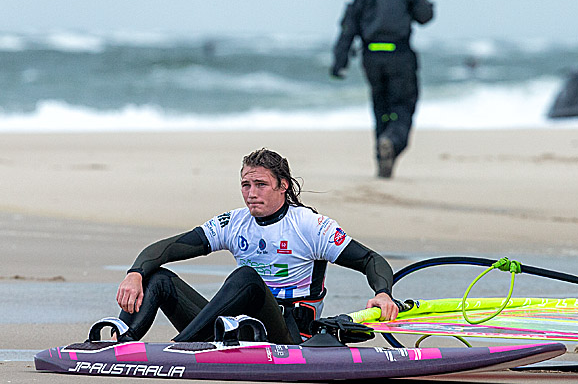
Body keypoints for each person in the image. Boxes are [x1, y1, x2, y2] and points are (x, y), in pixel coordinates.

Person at [113, 148, 400, 345]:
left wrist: (383, 294)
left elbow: (370, 260)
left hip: (288, 336)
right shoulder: (233, 223)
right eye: (245, 185)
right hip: (236, 327)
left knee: (247, 277)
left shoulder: (309, 226)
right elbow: (168, 248)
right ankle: (121, 341)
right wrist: (135, 272)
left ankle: (180, 346)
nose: (251, 194)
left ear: (283, 185)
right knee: (156, 276)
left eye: (260, 184)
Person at [331, 0, 435, 179]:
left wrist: (340, 60)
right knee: (404, 106)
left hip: (371, 58)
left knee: (381, 108)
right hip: (400, 54)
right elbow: (425, 17)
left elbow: (348, 25)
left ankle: (382, 160)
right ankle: (392, 141)